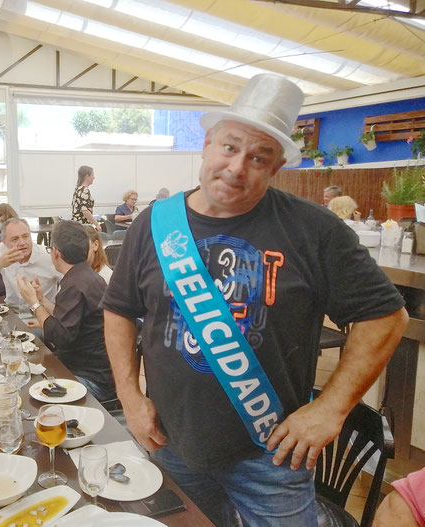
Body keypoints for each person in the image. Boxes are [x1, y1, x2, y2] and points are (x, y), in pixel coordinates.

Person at [101, 73, 408, 526]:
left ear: (276, 167)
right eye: (229, 147)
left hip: (272, 457)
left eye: (258, 157)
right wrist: (129, 398)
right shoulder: (153, 223)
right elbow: (119, 311)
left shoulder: (314, 229)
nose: (237, 167)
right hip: (170, 441)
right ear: (207, 143)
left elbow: (387, 318)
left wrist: (330, 408)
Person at [17, 221, 115, 401]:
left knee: (23, 388)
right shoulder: (85, 275)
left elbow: (59, 337)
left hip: (90, 379)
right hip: (99, 371)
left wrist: (33, 303)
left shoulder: (75, 284)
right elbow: (67, 318)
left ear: (55, 252)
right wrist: (41, 299)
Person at [0, 218, 60, 313]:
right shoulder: (2, 250)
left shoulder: (48, 256)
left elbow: (70, 286)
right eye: (15, 239)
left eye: (25, 236)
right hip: (12, 314)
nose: (22, 243)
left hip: (42, 318)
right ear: (4, 242)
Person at [71, 165, 101, 231]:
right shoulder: (84, 191)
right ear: (87, 176)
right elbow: (85, 211)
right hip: (82, 226)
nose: (94, 177)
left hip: (76, 225)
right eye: (92, 175)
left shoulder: (78, 189)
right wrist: (96, 224)